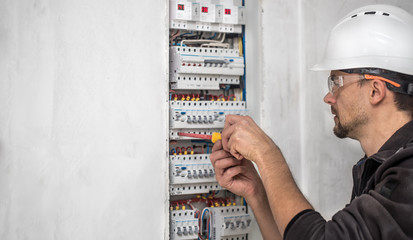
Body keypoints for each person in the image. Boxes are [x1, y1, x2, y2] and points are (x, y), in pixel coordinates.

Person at [210, 4, 413, 240]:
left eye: (336, 83)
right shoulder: (379, 168)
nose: (328, 97)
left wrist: (267, 155)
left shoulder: (407, 175)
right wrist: (256, 192)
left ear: (375, 90)